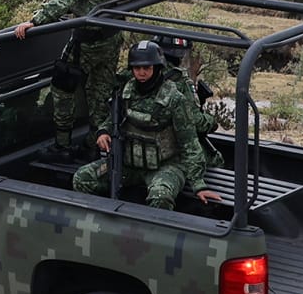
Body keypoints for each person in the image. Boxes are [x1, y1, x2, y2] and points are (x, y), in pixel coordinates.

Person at [13, 0, 155, 158]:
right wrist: (120, 5)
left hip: (86, 40)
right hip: (112, 36)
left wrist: (35, 21)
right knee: (101, 91)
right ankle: (93, 144)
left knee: (62, 85)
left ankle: (63, 146)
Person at [72, 41, 224, 210]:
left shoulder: (174, 99)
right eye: (137, 69)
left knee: (161, 197)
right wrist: (103, 132)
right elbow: (113, 118)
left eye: (147, 68)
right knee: (83, 178)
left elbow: (189, 144)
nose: (142, 73)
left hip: (165, 166)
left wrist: (199, 185)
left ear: (157, 68)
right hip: (128, 164)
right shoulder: (125, 91)